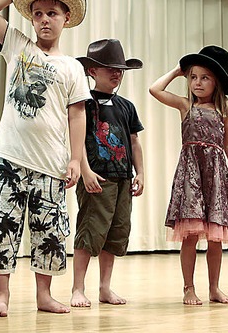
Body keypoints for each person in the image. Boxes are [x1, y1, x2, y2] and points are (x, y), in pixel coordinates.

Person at [0, 0, 89, 316]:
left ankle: (44, 295)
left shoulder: (72, 67)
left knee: (49, 231)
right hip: (10, 155)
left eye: (51, 13)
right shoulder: (18, 46)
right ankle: (1, 295)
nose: (43, 19)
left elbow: (77, 114)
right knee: (0, 225)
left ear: (66, 18)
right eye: (37, 13)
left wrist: (76, 159)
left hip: (52, 163)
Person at [149, 45, 228, 305]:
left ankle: (214, 288)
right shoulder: (186, 106)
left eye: (204, 77)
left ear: (216, 81)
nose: (197, 82)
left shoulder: (223, 112)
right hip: (191, 176)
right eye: (193, 77)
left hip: (215, 176)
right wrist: (177, 71)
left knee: (216, 238)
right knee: (191, 236)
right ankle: (188, 288)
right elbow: (155, 89)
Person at [70, 39, 145, 307]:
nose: (116, 73)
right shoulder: (84, 103)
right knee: (91, 231)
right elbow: (76, 139)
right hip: (97, 177)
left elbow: (134, 141)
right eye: (108, 68)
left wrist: (140, 173)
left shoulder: (126, 106)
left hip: (122, 177)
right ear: (92, 71)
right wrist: (85, 170)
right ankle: (78, 288)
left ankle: (105, 287)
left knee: (115, 233)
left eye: (119, 69)